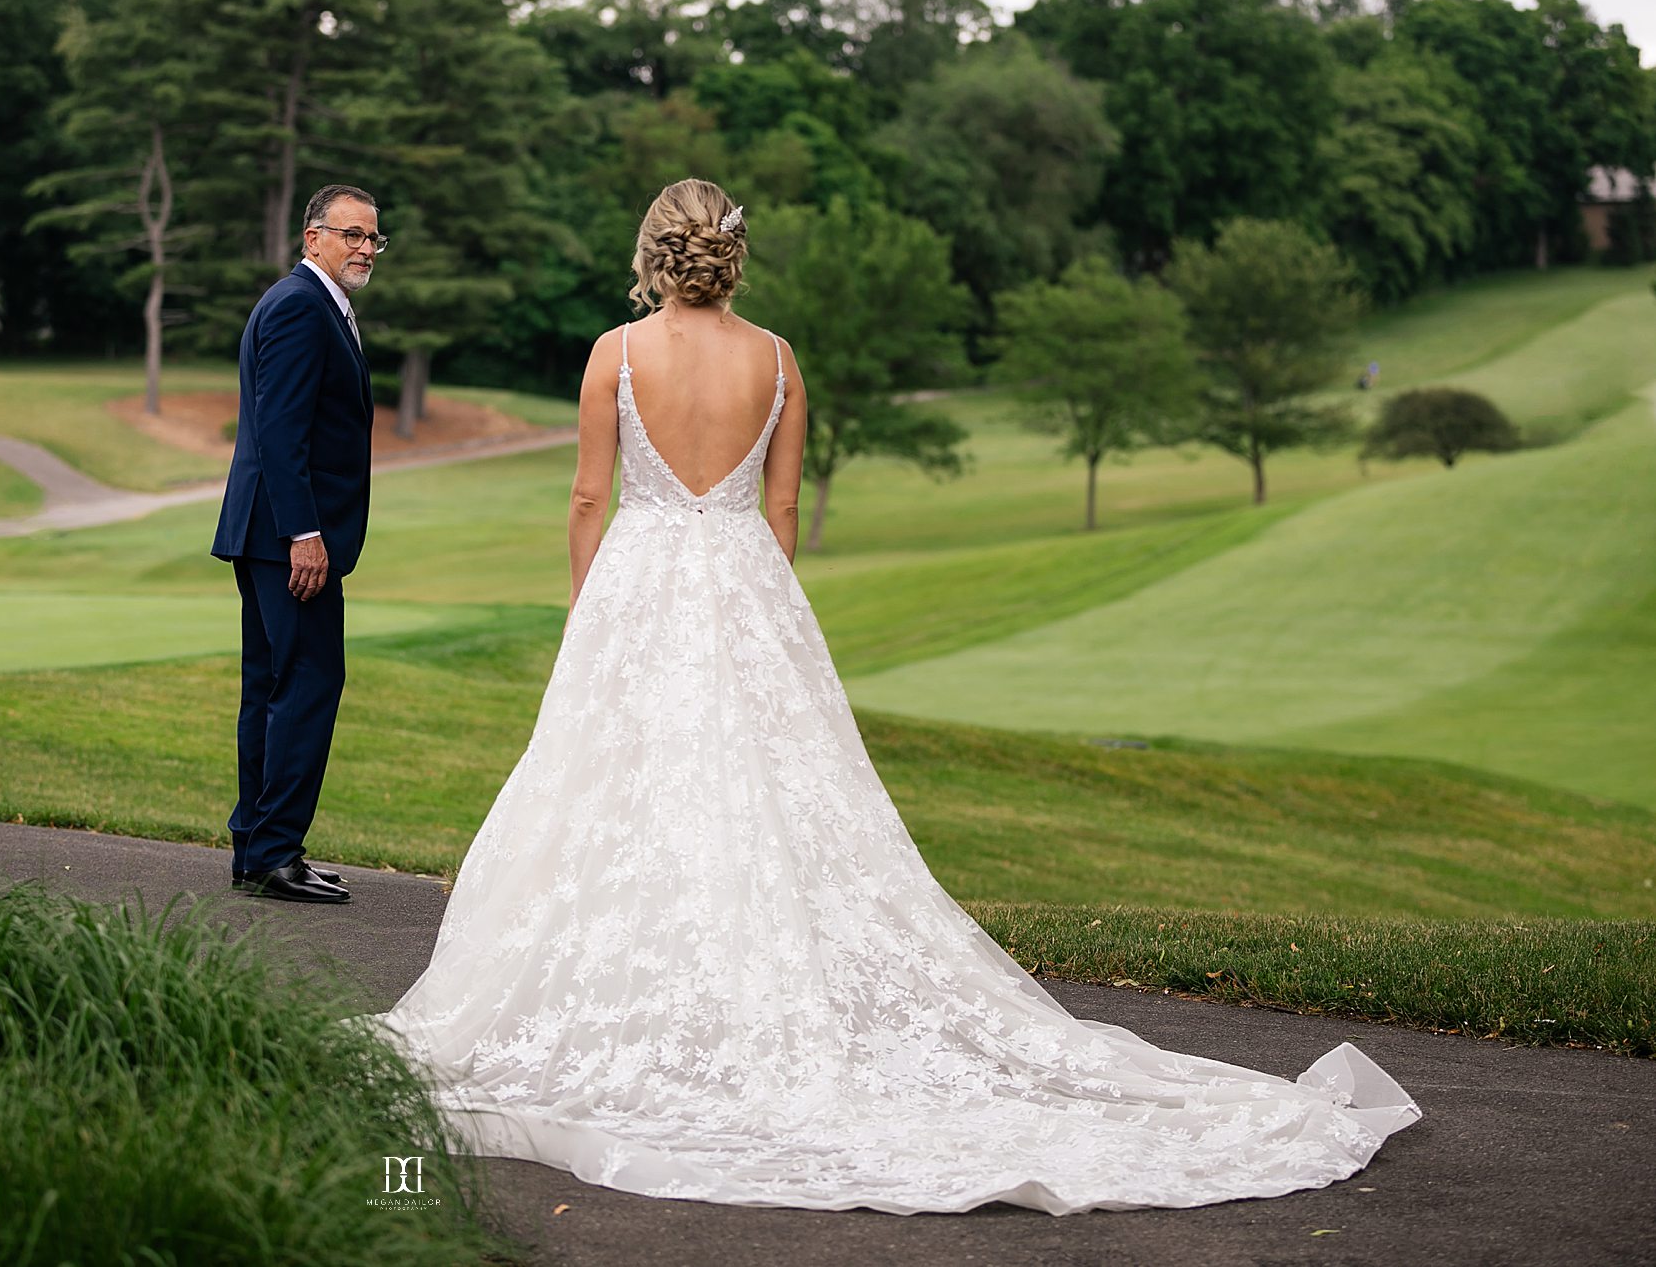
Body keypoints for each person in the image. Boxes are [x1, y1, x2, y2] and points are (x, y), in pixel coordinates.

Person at [369, 178, 1420, 1214]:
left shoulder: (616, 353)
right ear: (730, 251)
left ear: (653, 253)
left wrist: (587, 612)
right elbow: (779, 512)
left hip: (634, 591)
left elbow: (591, 494)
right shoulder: (777, 361)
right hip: (746, 588)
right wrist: (758, 615)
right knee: (771, 799)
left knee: (608, 796)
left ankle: (628, 1005)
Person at [210, 185, 381, 905]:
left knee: (274, 687)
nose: (365, 248)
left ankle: (260, 848)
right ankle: (274, 848)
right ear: (312, 237)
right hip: (288, 538)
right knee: (308, 684)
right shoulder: (298, 307)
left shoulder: (313, 305)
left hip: (271, 533)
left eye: (374, 238)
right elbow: (281, 433)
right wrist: (304, 533)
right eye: (351, 234)